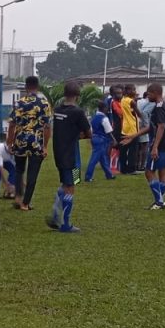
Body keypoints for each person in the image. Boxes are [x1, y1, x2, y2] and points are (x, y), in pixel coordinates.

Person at [46, 81, 91, 233]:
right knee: (71, 186)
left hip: (60, 153)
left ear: (64, 94)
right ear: (78, 96)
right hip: (72, 154)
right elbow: (88, 133)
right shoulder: (78, 112)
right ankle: (64, 222)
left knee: (72, 182)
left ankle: (58, 205)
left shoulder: (58, 110)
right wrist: (79, 135)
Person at [5, 75, 52, 211]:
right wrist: (45, 146)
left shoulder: (18, 102)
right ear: (38, 87)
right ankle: (26, 203)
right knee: (33, 172)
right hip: (36, 141)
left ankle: (18, 198)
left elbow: (12, 125)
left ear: (25, 86)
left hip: (20, 140)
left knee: (19, 170)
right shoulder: (44, 103)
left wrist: (9, 143)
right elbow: (47, 127)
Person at [138, 83, 165, 210]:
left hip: (160, 144)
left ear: (154, 92)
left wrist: (155, 147)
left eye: (148, 93)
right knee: (163, 171)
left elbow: (161, 126)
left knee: (149, 171)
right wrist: (134, 135)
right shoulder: (163, 105)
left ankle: (159, 201)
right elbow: (155, 126)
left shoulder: (158, 107)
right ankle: (160, 201)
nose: (147, 96)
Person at [84, 101, 116, 182]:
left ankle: (109, 175)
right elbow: (108, 131)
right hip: (101, 139)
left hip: (94, 137)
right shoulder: (104, 118)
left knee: (103, 158)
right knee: (94, 159)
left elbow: (91, 129)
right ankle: (88, 176)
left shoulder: (94, 117)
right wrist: (114, 139)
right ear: (104, 108)